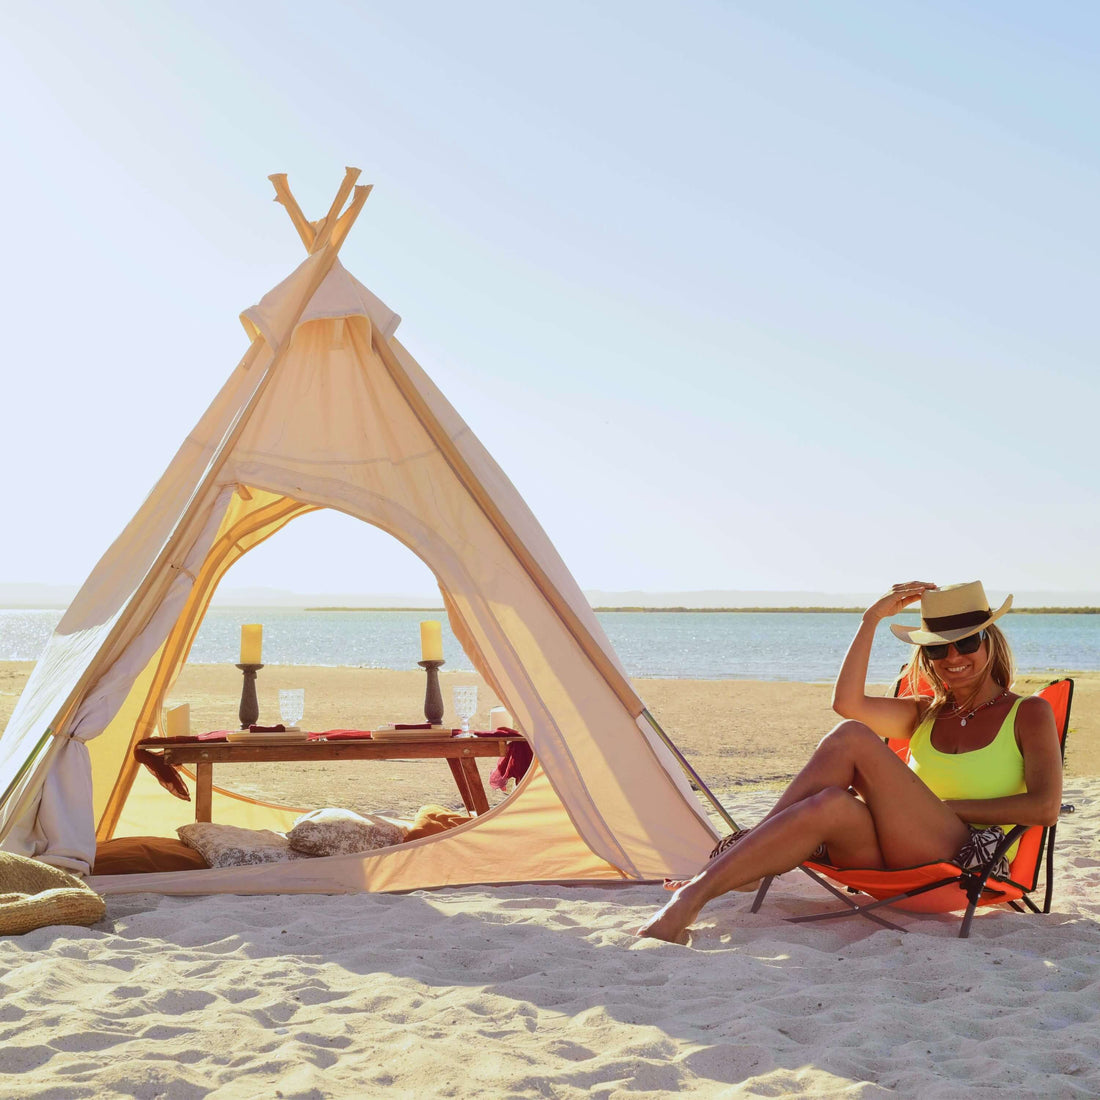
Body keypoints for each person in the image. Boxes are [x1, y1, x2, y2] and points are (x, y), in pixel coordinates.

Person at [637, 580, 1063, 943]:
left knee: (854, 738)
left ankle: (729, 860)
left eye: (967, 643)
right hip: (892, 856)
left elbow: (1044, 808)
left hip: (961, 863)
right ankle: (696, 894)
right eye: (938, 649)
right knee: (830, 802)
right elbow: (846, 702)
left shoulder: (1028, 712)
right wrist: (870, 620)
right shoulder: (924, 713)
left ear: (991, 642)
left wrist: (944, 809)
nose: (953, 658)